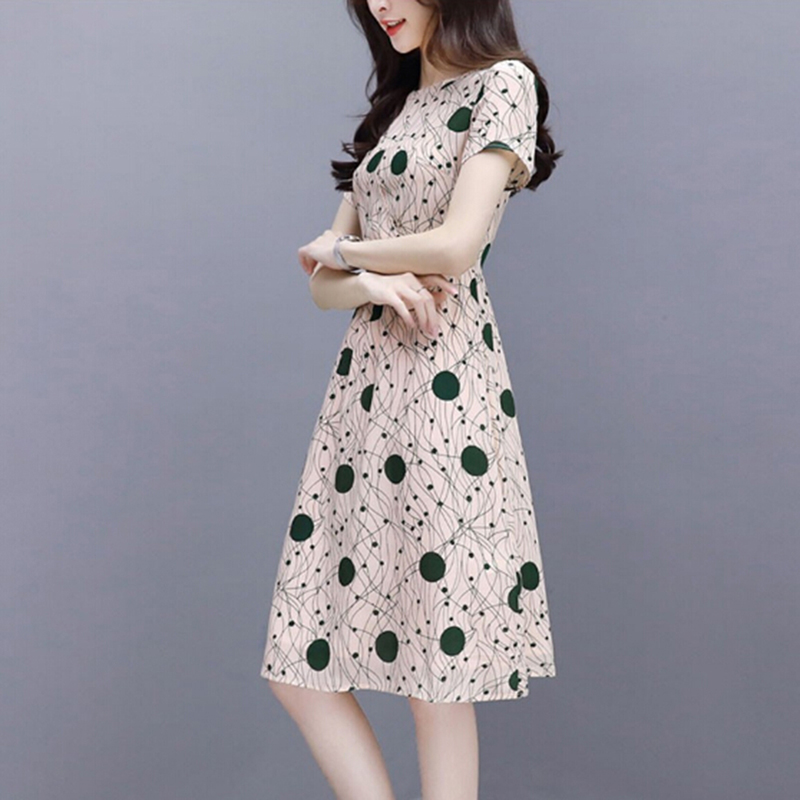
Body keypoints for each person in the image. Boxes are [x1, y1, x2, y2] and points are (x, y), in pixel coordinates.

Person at [261, 1, 563, 798]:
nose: (379, 4)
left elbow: (458, 245)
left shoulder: (503, 84)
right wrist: (365, 280)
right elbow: (323, 287)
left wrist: (348, 251)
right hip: (359, 405)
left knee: (438, 674)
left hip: (444, 388)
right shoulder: (395, 108)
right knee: (300, 663)